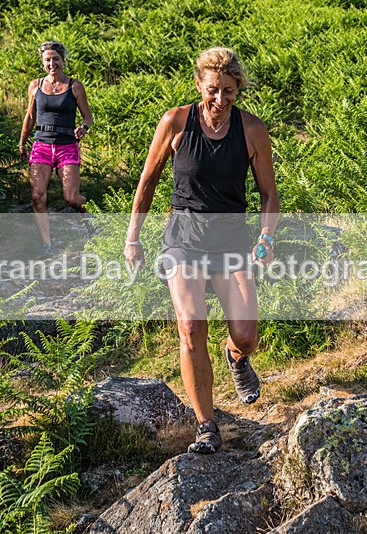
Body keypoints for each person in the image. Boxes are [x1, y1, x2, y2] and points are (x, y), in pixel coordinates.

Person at [124, 47, 279, 454]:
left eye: (229, 91)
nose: (220, 99)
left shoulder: (252, 130)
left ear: (238, 90)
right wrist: (133, 237)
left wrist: (266, 237)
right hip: (183, 241)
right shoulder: (176, 122)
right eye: (213, 90)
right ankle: (206, 426)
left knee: (246, 335)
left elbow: (268, 194)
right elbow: (147, 181)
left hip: (231, 243)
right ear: (199, 84)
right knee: (192, 327)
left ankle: (236, 357)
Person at [19, 41, 93, 255]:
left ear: (63, 60)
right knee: (37, 197)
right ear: (42, 62)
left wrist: (83, 128)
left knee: (71, 198)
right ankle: (47, 245)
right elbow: (30, 117)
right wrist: (22, 142)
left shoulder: (75, 87)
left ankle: (90, 216)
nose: (52, 63)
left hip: (67, 146)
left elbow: (88, 117)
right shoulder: (35, 86)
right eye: (47, 60)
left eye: (56, 59)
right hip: (41, 145)